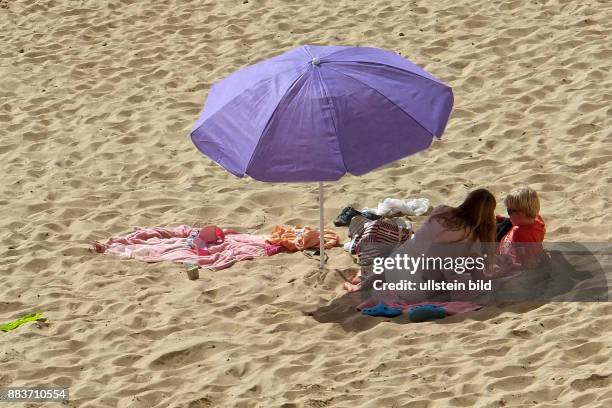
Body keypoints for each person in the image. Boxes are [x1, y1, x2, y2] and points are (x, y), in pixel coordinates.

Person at [345, 188, 497, 296]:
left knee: (400, 257)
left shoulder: (442, 212)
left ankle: (361, 287)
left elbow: (415, 248)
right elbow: (480, 276)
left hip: (398, 272)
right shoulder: (475, 238)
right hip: (419, 291)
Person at [496, 186, 546, 270]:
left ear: (521, 214)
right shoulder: (537, 219)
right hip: (507, 239)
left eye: (509, 211)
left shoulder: (519, 233)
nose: (508, 213)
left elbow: (524, 264)